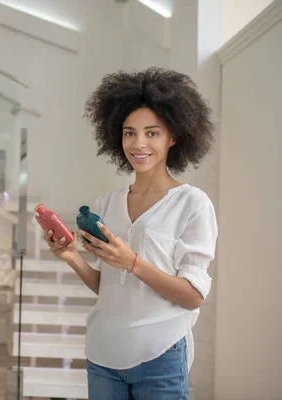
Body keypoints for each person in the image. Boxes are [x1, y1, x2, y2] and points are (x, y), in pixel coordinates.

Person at [43, 67, 218, 399]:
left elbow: (193, 296)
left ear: (174, 137)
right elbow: (109, 288)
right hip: (103, 354)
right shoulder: (107, 204)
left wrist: (134, 262)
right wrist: (71, 257)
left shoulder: (192, 204)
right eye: (129, 133)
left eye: (152, 133)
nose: (139, 144)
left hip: (161, 355)